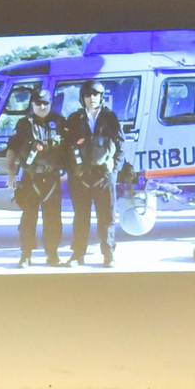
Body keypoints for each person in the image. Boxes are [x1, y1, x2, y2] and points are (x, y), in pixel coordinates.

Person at [6, 88, 68, 267]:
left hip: (52, 178)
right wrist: (11, 174)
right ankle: (26, 255)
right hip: (30, 178)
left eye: (45, 103)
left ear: (50, 104)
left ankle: (53, 255)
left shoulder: (59, 122)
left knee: (53, 219)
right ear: (32, 104)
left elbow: (69, 149)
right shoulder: (24, 124)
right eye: (38, 103)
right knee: (28, 218)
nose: (42, 106)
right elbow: (12, 149)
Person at [64, 80, 123, 267]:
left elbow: (120, 146)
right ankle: (78, 254)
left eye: (95, 94)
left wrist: (113, 171)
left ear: (101, 96)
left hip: (103, 177)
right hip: (80, 177)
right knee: (81, 217)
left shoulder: (110, 118)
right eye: (88, 95)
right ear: (82, 98)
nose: (91, 98)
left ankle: (108, 254)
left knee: (106, 217)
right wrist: (73, 171)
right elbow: (65, 147)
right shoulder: (74, 119)